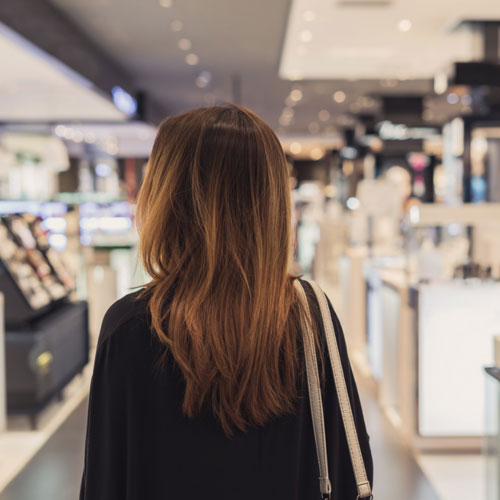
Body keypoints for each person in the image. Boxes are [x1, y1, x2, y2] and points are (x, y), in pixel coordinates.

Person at [80, 104, 373, 500]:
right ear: (272, 202)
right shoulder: (309, 315)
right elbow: (349, 466)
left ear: (167, 198)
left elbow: (105, 481)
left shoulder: (131, 327)